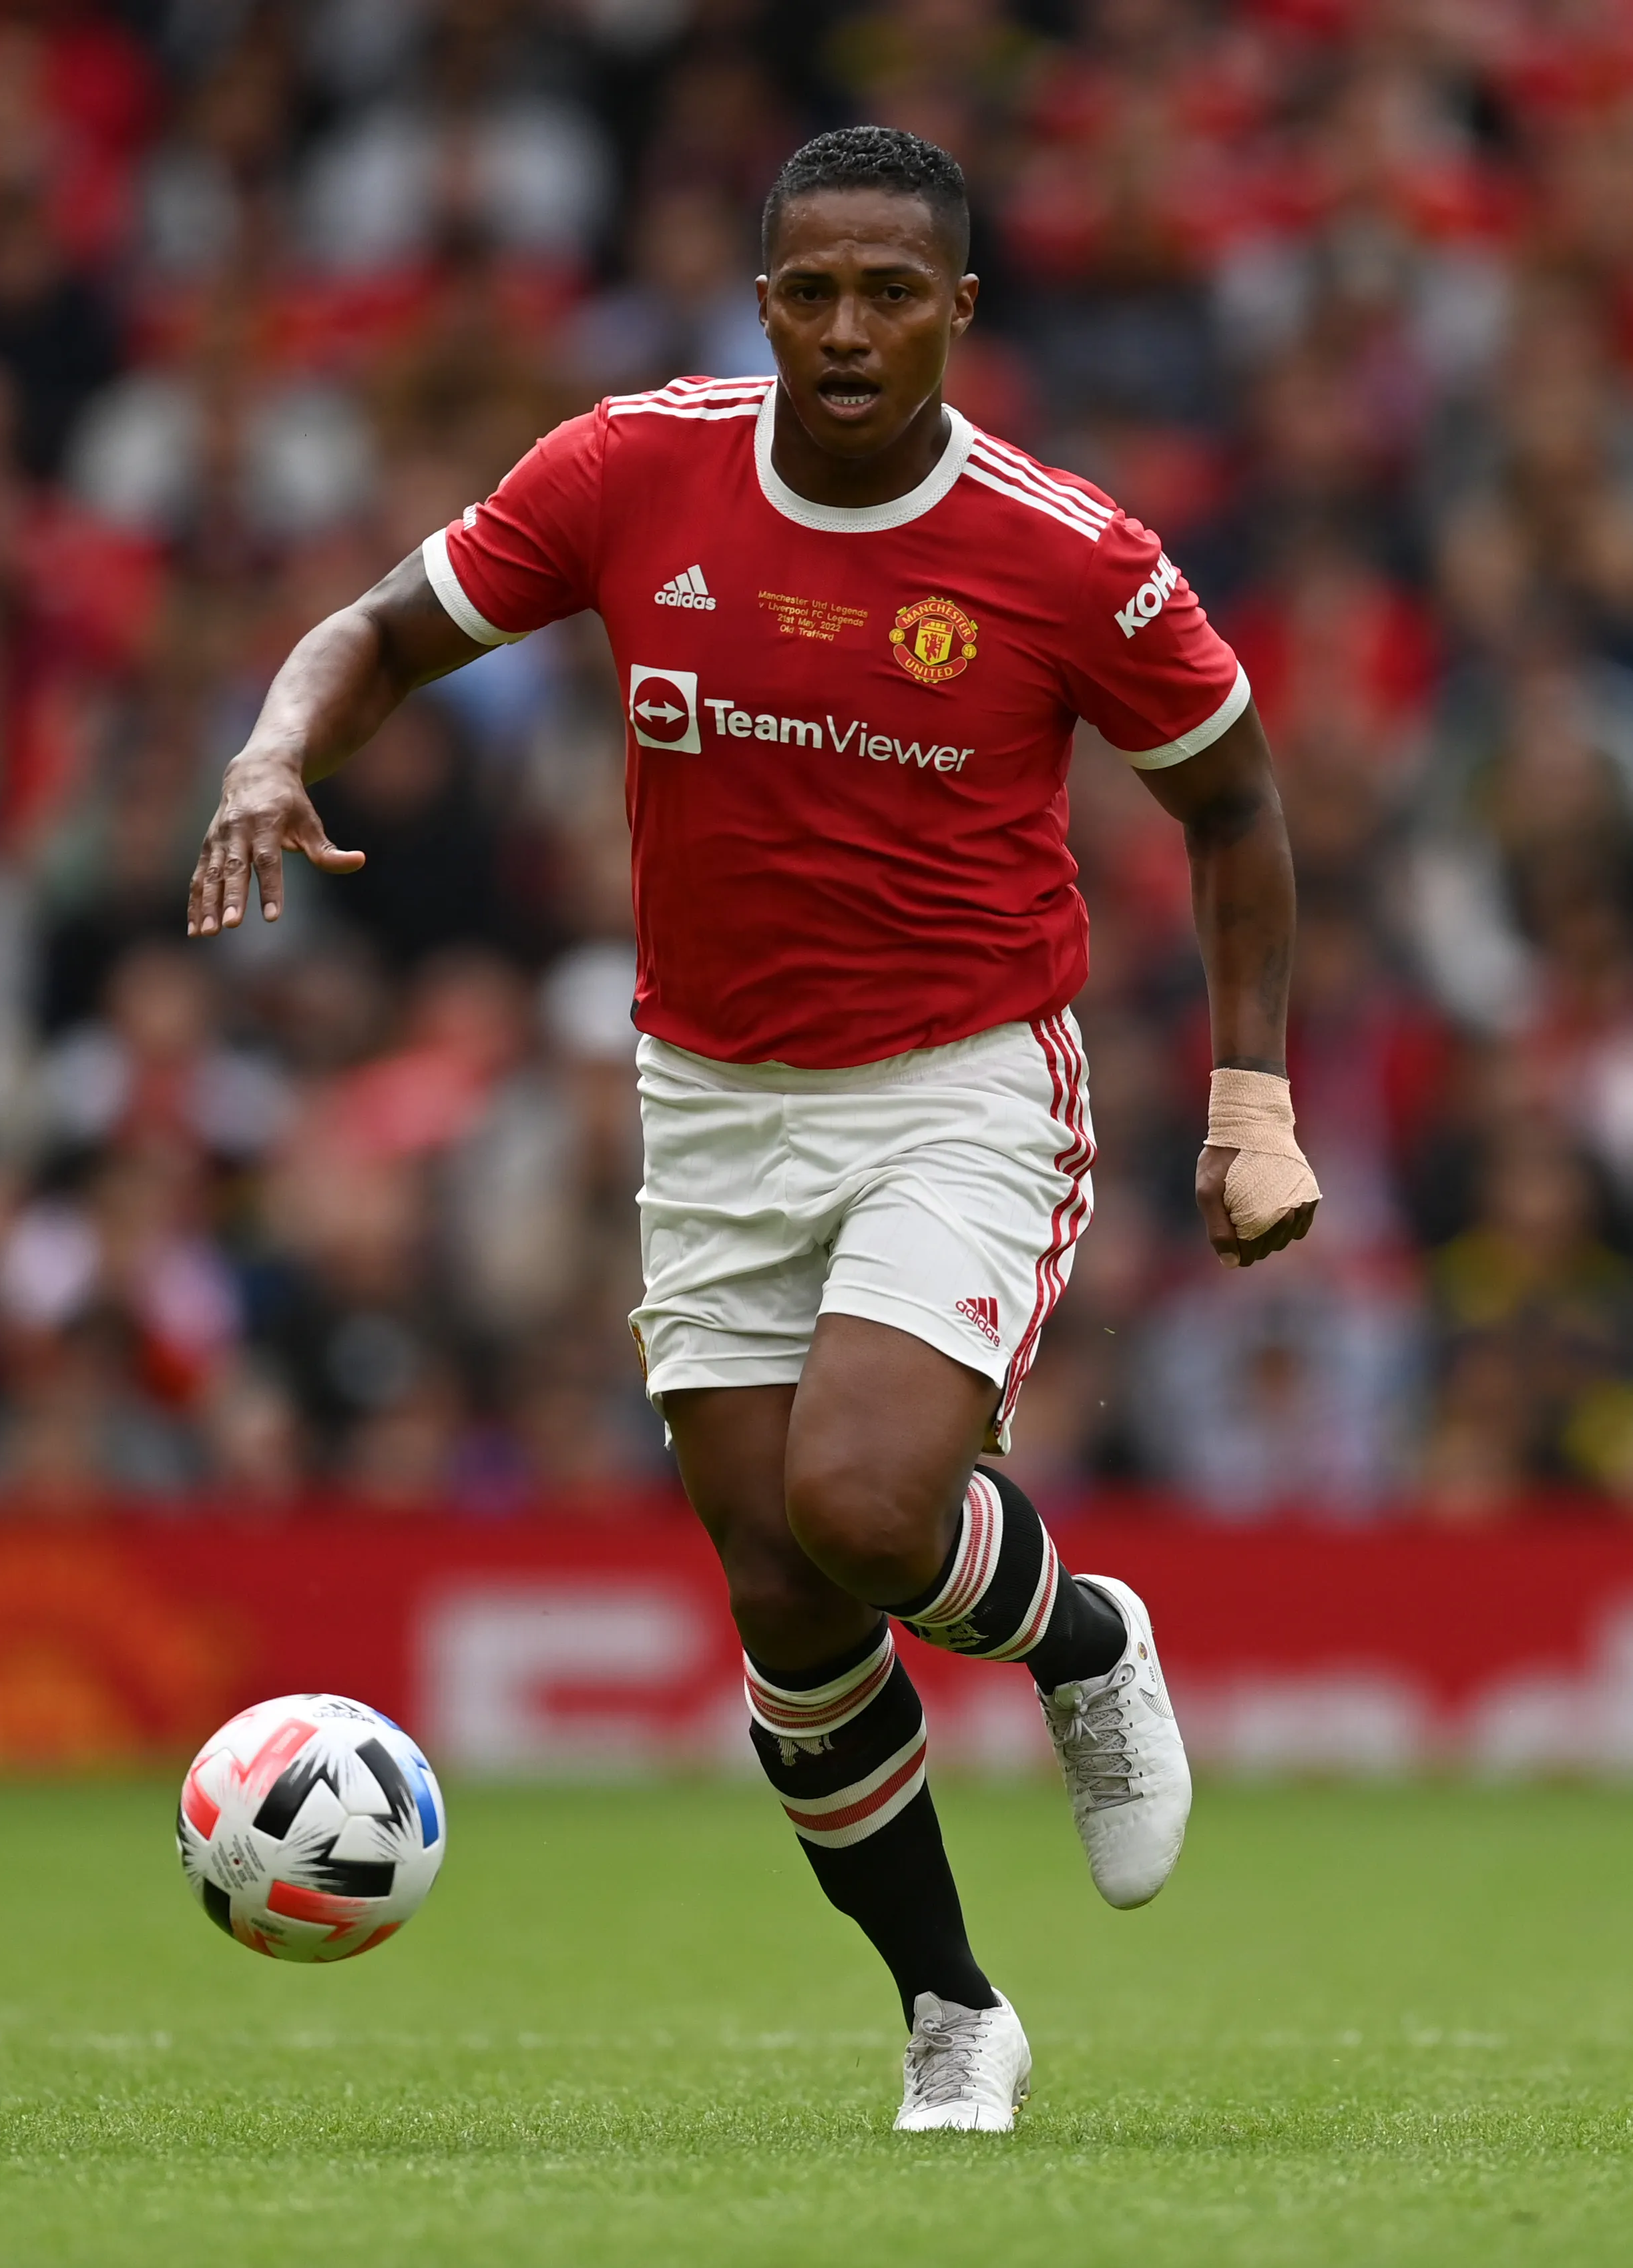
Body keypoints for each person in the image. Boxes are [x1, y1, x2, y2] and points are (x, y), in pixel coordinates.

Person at [186, 127, 1319, 2131]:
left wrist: (1251, 1100)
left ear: (961, 311)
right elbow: (376, 626)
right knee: (786, 1597)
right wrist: (275, 749)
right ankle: (955, 2009)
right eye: (814, 288)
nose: (852, 327)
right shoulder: (632, 470)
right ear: (762, 295)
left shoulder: (1068, 553)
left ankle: (1083, 1633)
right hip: (710, 1094)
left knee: (866, 1511)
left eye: (897, 290)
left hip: (964, 1080)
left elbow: (1234, 806)